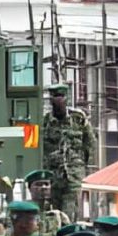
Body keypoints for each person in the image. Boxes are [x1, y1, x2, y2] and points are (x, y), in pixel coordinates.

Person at [41, 84, 95, 217]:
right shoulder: (44, 121)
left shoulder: (79, 118)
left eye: (61, 96)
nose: (58, 100)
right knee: (51, 215)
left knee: (69, 214)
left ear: (67, 98)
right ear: (50, 99)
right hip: (51, 178)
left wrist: (84, 167)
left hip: (73, 176)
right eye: (55, 96)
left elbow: (90, 144)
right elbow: (33, 148)